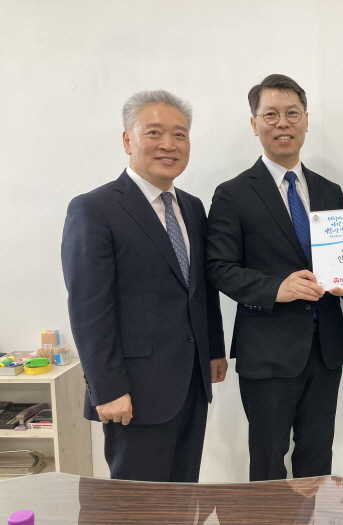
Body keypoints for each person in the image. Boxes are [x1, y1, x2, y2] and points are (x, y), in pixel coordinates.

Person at [61, 90, 228, 482]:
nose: (169, 144)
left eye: (180, 134)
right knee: (136, 504)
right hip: (133, 391)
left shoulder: (192, 206)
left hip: (191, 382)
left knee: (183, 496)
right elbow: (89, 309)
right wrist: (106, 388)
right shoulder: (94, 209)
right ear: (127, 140)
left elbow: (201, 289)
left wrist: (214, 350)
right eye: (154, 133)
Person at [207, 74, 343, 481]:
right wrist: (277, 288)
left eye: (292, 113)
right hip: (266, 352)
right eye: (271, 114)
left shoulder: (329, 190)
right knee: (268, 462)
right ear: (254, 124)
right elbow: (219, 268)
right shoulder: (232, 194)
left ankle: (313, 513)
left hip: (325, 349)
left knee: (317, 458)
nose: (283, 123)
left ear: (306, 120)